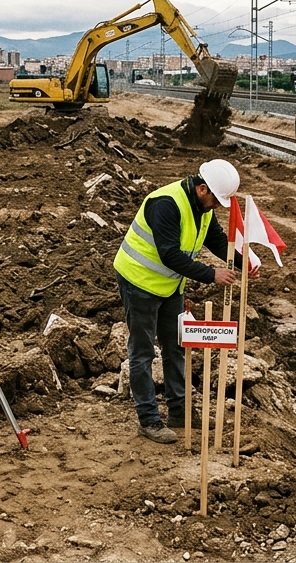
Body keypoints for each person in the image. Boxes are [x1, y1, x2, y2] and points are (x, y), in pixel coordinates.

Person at [112, 159, 252, 445]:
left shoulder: (202, 207)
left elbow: (216, 239)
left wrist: (244, 263)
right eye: (216, 201)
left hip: (170, 285)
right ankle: (149, 420)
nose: (217, 207)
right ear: (202, 189)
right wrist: (211, 274)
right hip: (138, 281)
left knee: (176, 347)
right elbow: (169, 254)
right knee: (142, 352)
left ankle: (180, 412)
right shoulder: (166, 204)